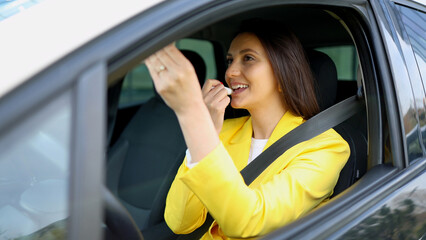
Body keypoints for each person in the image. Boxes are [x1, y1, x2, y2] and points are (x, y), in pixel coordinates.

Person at [145, 19, 350, 240]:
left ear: (283, 75)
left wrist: (192, 114)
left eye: (248, 58)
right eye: (230, 60)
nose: (230, 72)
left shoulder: (326, 147)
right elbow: (180, 222)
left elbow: (251, 220)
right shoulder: (221, 132)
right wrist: (207, 130)